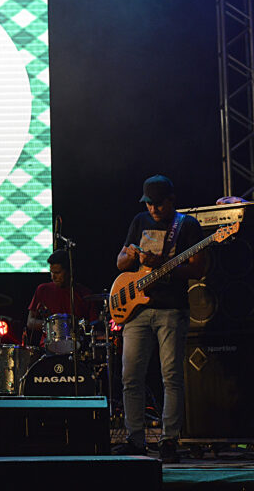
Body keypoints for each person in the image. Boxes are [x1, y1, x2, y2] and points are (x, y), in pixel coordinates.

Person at [113, 175, 207, 463]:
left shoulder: (187, 226)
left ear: (171, 200)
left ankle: (168, 440)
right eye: (149, 204)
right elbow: (120, 261)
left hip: (171, 309)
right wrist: (130, 259)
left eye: (158, 204)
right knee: (131, 378)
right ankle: (134, 439)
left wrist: (163, 266)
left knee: (171, 377)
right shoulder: (139, 221)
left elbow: (198, 269)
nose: (153, 209)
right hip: (136, 310)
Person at [24, 249, 96, 349]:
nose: (53, 277)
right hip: (47, 349)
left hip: (77, 349)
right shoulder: (43, 290)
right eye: (51, 272)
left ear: (69, 271)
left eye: (57, 272)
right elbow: (30, 322)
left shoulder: (85, 294)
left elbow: (94, 326)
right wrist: (52, 326)